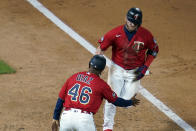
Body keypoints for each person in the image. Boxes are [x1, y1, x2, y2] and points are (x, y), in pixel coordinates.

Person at [96, 7, 159, 131]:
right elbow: (100, 49)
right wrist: (97, 63)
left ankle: (132, 90)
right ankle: (107, 127)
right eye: (129, 20)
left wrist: (145, 66)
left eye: (134, 22)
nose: (131, 23)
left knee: (126, 103)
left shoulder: (146, 35)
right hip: (117, 69)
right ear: (125, 18)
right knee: (112, 97)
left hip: (135, 71)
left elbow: (154, 50)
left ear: (138, 23)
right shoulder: (115, 33)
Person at [52, 55, 140, 131]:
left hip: (66, 117)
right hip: (84, 120)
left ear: (89, 64)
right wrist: (130, 102)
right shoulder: (101, 85)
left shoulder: (74, 77)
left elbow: (61, 99)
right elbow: (116, 101)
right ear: (102, 70)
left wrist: (55, 117)